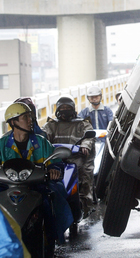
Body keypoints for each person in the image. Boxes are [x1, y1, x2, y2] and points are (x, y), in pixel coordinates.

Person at [0, 102, 73, 246]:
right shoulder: (2, 144)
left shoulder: (42, 142)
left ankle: (51, 239)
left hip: (36, 186)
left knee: (50, 201)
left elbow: (56, 161)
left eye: (30, 117)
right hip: (6, 187)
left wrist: (54, 170)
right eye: (25, 117)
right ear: (13, 122)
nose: (30, 121)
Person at [42, 95, 95, 218]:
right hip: (56, 158)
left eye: (67, 107)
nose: (65, 110)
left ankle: (85, 204)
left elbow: (89, 136)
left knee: (86, 176)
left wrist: (85, 146)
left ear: (73, 109)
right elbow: (43, 136)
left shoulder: (82, 123)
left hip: (77, 158)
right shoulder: (51, 125)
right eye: (62, 107)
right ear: (57, 110)